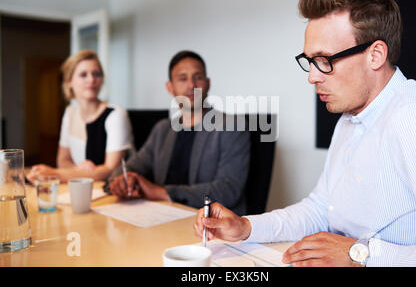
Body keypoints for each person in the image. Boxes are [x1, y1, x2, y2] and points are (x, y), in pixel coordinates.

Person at [194, 0, 416, 267]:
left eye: (324, 60)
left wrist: (361, 255)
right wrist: (246, 227)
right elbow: (320, 210)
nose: (312, 77)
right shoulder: (349, 118)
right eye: (309, 60)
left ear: (375, 55)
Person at [107, 50, 250, 215]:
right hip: (161, 216)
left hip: (209, 226)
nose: (191, 85)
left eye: (198, 77)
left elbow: (228, 190)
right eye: (183, 79)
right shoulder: (162, 129)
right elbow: (133, 166)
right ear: (170, 87)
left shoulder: (231, 126)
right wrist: (123, 181)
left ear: (208, 83)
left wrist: (162, 192)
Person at [27, 50, 134, 183]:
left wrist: (55, 174)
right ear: (69, 82)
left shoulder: (116, 114)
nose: (91, 79)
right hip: (83, 188)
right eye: (83, 75)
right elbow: (63, 160)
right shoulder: (70, 113)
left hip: (112, 190)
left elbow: (109, 169)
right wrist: (79, 170)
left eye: (96, 74)